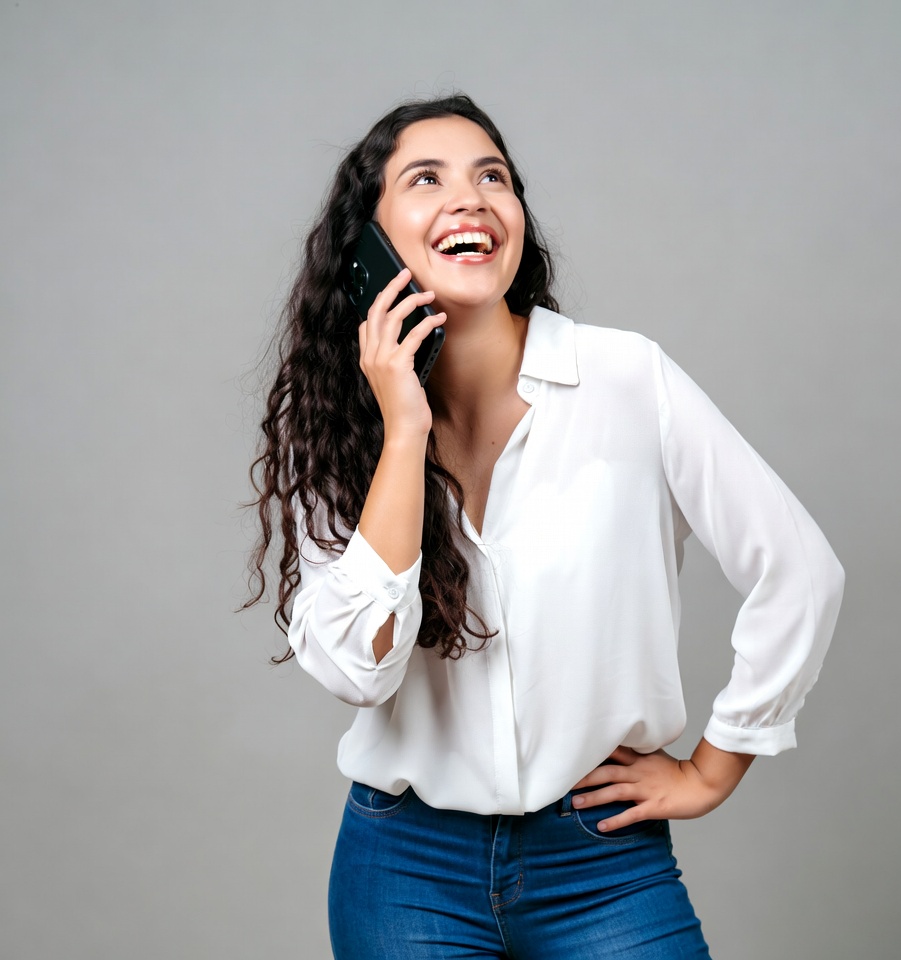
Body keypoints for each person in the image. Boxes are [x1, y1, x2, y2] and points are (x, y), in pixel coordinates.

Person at [247, 93, 844, 959]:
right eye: (427, 179)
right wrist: (404, 431)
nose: (471, 198)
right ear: (367, 242)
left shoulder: (626, 380)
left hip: (602, 863)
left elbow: (801, 571)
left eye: (493, 176)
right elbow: (355, 669)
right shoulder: (341, 420)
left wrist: (717, 764)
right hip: (403, 867)